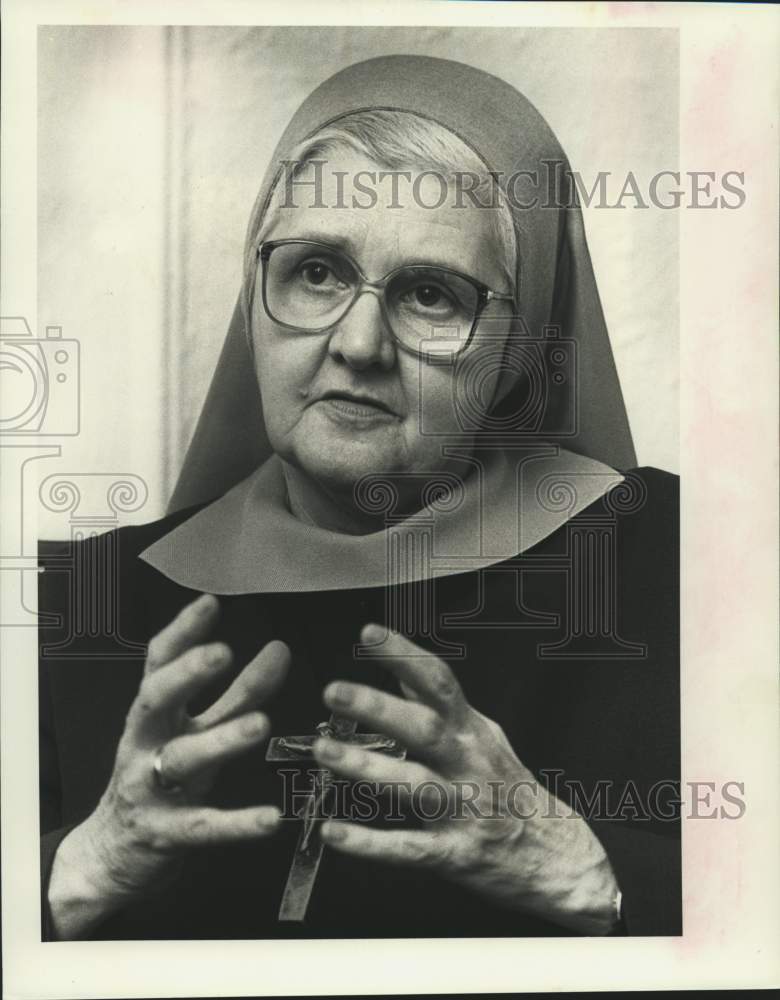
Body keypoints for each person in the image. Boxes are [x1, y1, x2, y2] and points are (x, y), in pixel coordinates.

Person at [38, 54, 680, 941]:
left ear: (520, 344)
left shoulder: (679, 567)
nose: (359, 343)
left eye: (430, 294)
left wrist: (595, 876)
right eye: (318, 273)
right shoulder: (79, 599)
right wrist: (79, 869)